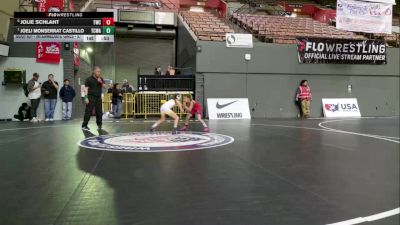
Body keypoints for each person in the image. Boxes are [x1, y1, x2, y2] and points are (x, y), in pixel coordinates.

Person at [81, 66, 107, 131]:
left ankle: (99, 125)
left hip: (98, 97)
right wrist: (86, 98)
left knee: (99, 112)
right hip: (91, 97)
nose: (99, 73)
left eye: (100, 72)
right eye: (98, 71)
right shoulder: (88, 79)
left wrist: (100, 82)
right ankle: (84, 125)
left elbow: (105, 86)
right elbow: (86, 89)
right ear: (94, 71)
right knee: (88, 111)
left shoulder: (100, 78)